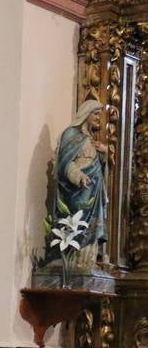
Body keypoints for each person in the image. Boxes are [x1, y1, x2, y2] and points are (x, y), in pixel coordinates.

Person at [54, 99, 109, 262]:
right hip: (77, 190)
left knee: (90, 227)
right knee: (76, 222)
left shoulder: (91, 138)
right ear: (86, 114)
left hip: (93, 189)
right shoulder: (71, 134)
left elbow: (97, 165)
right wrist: (78, 176)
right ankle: (74, 261)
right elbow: (65, 162)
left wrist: (104, 153)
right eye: (96, 114)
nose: (99, 118)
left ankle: (88, 260)